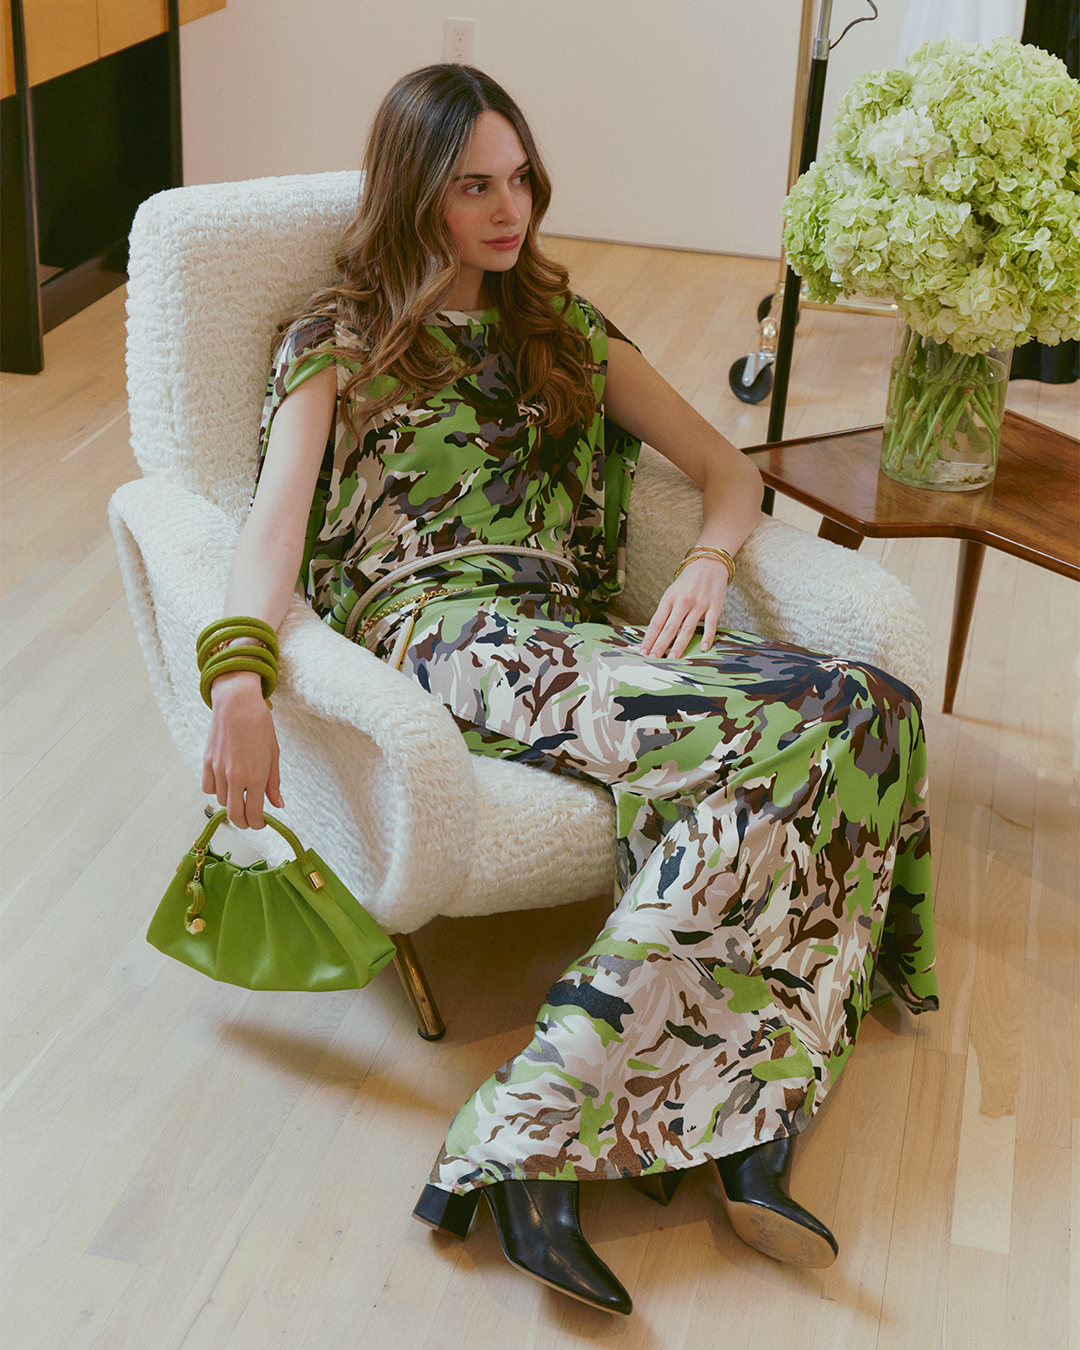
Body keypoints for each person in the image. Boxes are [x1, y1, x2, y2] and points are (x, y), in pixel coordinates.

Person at [201, 64, 938, 1317]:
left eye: (521, 177)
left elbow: (728, 471)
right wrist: (241, 679)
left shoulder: (563, 331)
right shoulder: (332, 341)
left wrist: (709, 561)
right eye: (473, 185)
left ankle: (567, 1138)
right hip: (444, 635)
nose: (510, 208)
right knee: (805, 737)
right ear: (413, 195)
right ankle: (741, 1127)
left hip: (569, 635)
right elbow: (272, 531)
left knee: (871, 704)